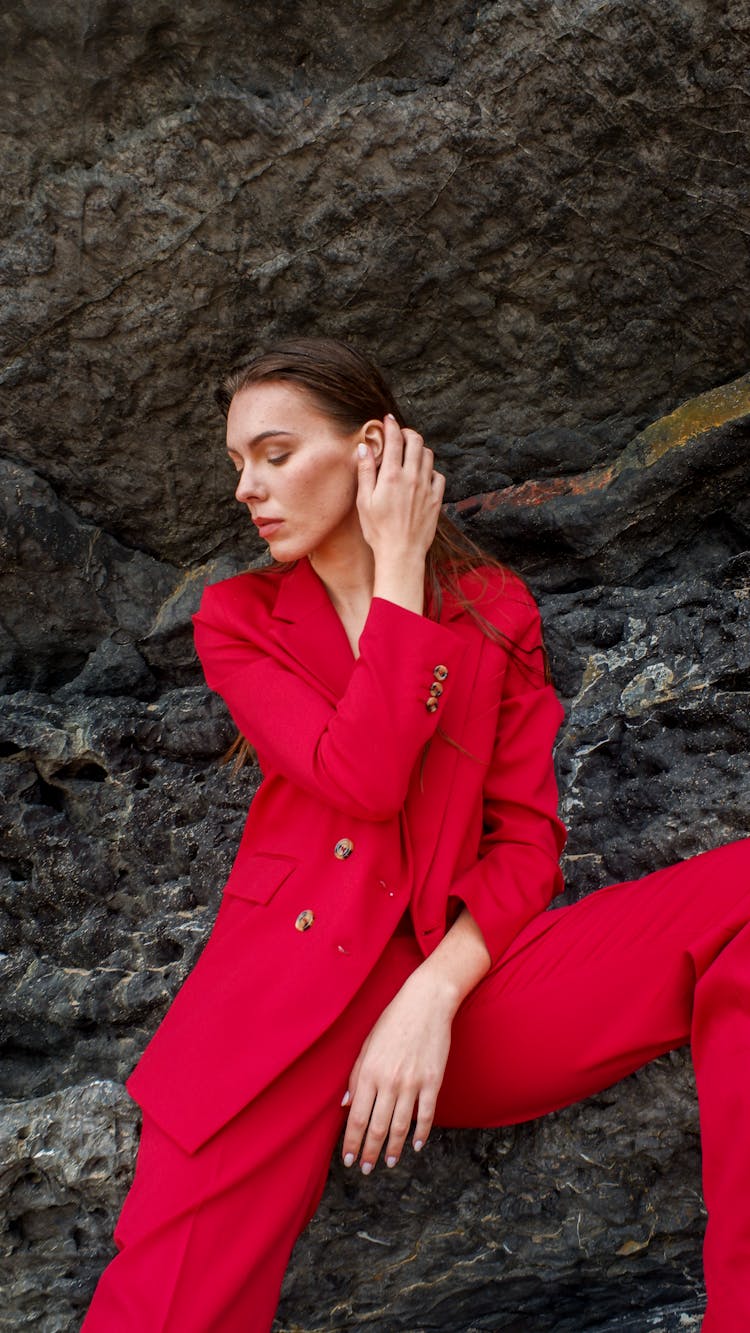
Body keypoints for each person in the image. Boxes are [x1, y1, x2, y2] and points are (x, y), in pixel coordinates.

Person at [82, 337, 750, 1332]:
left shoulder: (494, 611)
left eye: (273, 454)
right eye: (237, 465)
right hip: (280, 1018)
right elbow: (363, 773)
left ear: (374, 452)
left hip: (458, 1002)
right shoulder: (240, 620)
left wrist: (431, 996)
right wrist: (397, 571)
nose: (246, 489)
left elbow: (525, 841)